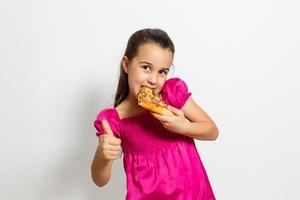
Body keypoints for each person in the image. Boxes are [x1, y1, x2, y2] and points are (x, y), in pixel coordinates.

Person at [91, 28, 219, 200]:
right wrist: (103, 153)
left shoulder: (171, 96)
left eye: (162, 72)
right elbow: (100, 180)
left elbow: (212, 131)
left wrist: (184, 126)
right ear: (126, 65)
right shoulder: (115, 119)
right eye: (146, 67)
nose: (153, 80)